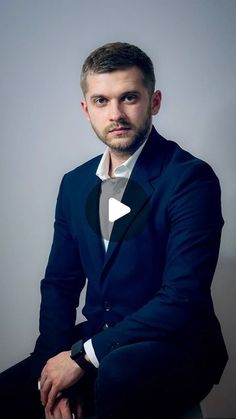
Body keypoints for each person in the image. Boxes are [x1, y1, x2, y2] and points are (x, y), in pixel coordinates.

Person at [0, 42, 228, 419]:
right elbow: (59, 283)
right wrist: (51, 373)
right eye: (102, 101)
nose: (116, 114)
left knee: (119, 374)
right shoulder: (74, 184)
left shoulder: (190, 178)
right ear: (85, 108)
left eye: (129, 97)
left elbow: (181, 298)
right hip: (102, 334)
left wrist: (82, 358)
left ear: (154, 102)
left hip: (174, 343)